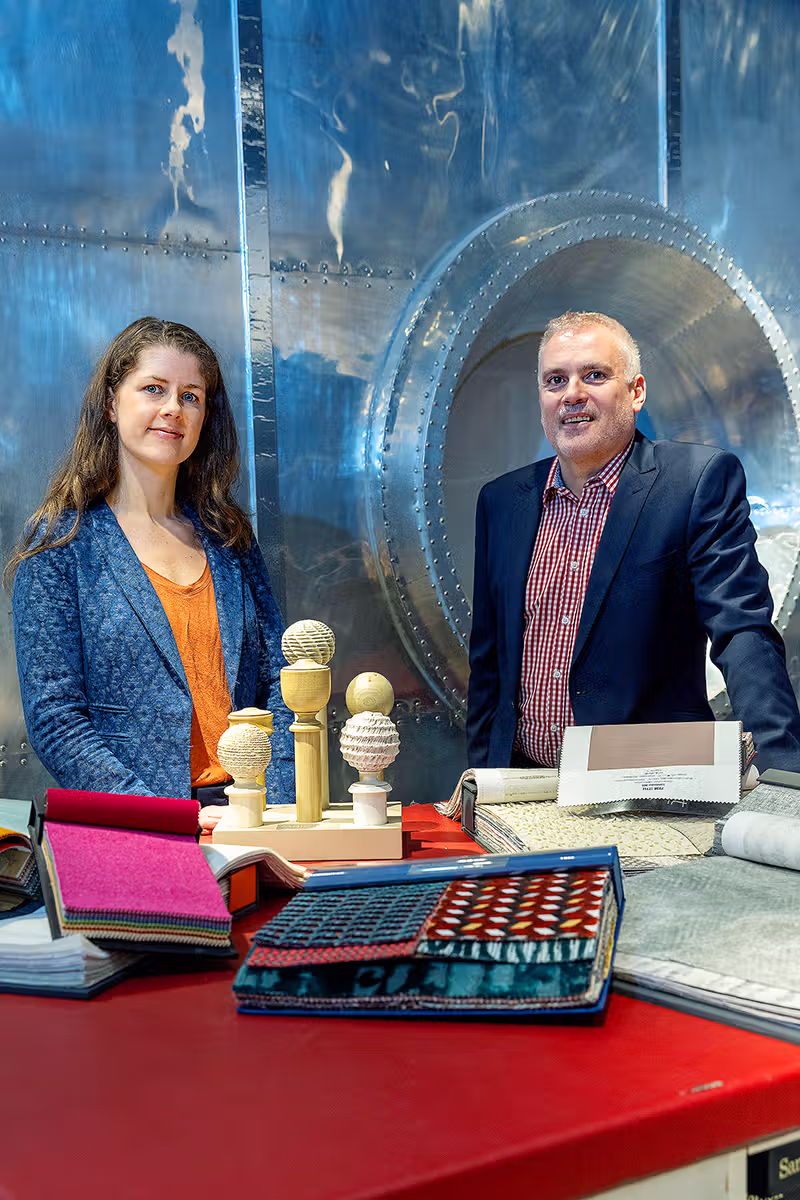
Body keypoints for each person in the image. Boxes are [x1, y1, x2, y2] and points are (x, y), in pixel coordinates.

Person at [467, 309, 800, 773]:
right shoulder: (502, 501)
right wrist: (481, 777)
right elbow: (488, 665)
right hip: (521, 781)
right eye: (555, 380)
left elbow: (741, 630)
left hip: (641, 785)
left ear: (636, 391)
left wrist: (782, 770)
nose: (572, 394)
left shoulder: (694, 482)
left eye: (594, 376)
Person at [5, 317, 294, 828]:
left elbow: (281, 682)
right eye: (154, 389)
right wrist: (164, 818)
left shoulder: (229, 538)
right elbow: (57, 721)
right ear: (111, 403)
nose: (173, 409)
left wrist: (275, 801)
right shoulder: (60, 543)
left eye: (191, 396)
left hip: (250, 817)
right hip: (137, 827)